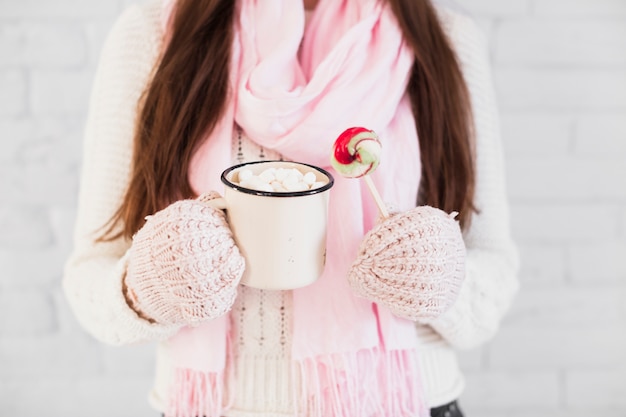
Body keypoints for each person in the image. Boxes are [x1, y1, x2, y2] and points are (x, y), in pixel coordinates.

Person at [63, 0, 519, 416]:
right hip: (218, 407)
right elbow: (89, 278)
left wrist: (441, 279)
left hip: (408, 401)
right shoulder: (156, 31)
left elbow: (494, 282)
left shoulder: (445, 40)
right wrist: (151, 285)